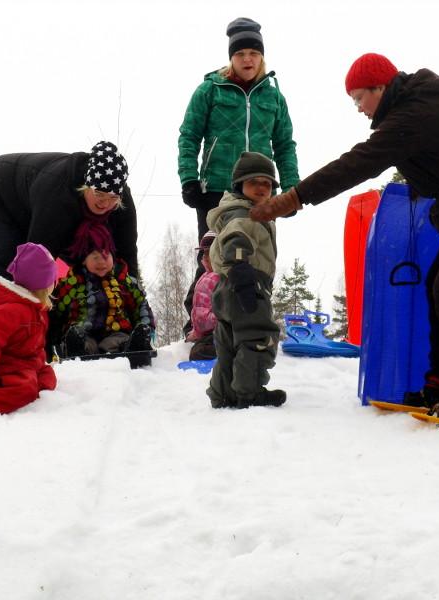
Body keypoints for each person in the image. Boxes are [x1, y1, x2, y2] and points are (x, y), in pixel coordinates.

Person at [250, 53, 439, 422]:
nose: (358, 108)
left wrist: (294, 197)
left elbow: (358, 162)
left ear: (380, 87)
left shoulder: (417, 113)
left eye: (359, 98)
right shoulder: (419, 107)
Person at [177, 17, 299, 336]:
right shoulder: (210, 90)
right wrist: (189, 179)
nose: (247, 59)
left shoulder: (273, 97)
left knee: (255, 255)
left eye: (253, 53)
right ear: (231, 56)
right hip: (215, 190)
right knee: (214, 257)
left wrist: (293, 190)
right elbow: (189, 135)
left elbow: (285, 144)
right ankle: (199, 324)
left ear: (262, 57)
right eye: (241, 53)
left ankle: (250, 320)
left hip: (258, 192)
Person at [0, 141, 138, 306]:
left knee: (75, 264)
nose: (106, 203)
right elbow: (35, 263)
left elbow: (127, 256)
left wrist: (136, 308)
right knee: (10, 263)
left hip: (29, 204)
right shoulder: (58, 198)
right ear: (86, 185)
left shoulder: (122, 202)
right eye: (99, 194)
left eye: (113, 198)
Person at [206, 152, 287, 409]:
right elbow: (236, 239)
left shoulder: (240, 211)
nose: (262, 188)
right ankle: (249, 394)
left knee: (230, 342)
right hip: (246, 283)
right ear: (239, 185)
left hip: (227, 287)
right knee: (258, 336)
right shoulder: (243, 214)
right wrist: (242, 272)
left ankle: (223, 394)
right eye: (254, 182)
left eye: (267, 183)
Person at [0, 243, 58, 415]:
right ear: (41, 283)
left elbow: (34, 346)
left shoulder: (36, 309)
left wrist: (39, 365)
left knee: (47, 377)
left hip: (23, 364)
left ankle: (20, 394)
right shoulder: (11, 309)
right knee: (25, 388)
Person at [49, 222, 155, 367]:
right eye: (95, 256)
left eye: (106, 256)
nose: (101, 262)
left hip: (116, 333)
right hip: (85, 335)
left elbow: (140, 304)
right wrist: (51, 340)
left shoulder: (122, 280)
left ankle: (134, 350)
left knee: (119, 342)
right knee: (80, 340)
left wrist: (146, 327)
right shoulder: (73, 283)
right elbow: (56, 311)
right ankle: (75, 350)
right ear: (84, 259)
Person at [185, 231, 219, 361]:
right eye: (203, 252)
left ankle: (227, 350)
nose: (205, 256)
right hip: (205, 332)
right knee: (196, 350)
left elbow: (225, 310)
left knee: (199, 352)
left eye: (209, 252)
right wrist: (196, 332)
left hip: (217, 330)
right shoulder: (205, 275)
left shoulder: (222, 278)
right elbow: (199, 308)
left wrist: (212, 321)